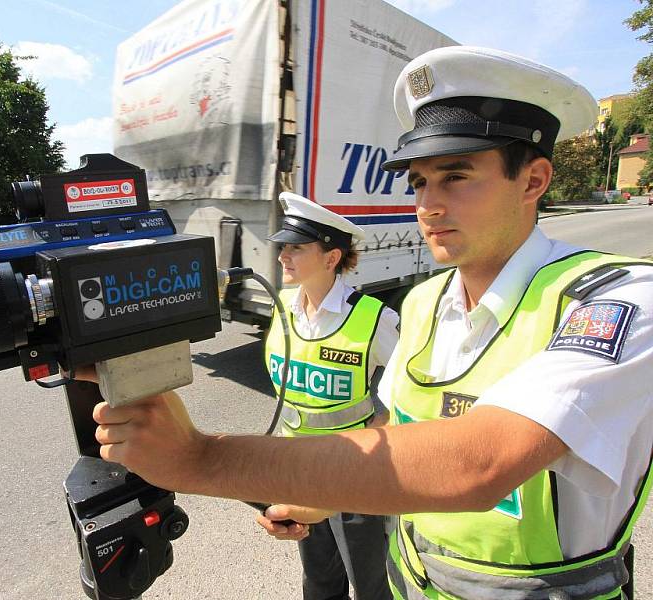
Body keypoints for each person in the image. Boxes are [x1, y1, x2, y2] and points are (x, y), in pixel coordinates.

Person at [83, 46, 653, 599]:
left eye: (455, 177)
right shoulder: (426, 301)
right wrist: (318, 495)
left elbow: (482, 463)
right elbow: (396, 434)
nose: (428, 205)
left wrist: (203, 459)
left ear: (533, 181)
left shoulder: (615, 299)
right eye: (419, 182)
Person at [260, 191, 399, 600]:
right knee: (319, 581)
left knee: (371, 582)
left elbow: (408, 392)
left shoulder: (374, 318)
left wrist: (378, 429)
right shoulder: (282, 305)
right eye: (283, 247)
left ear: (331, 257)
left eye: (296, 248)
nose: (283, 256)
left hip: (354, 474)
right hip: (300, 472)